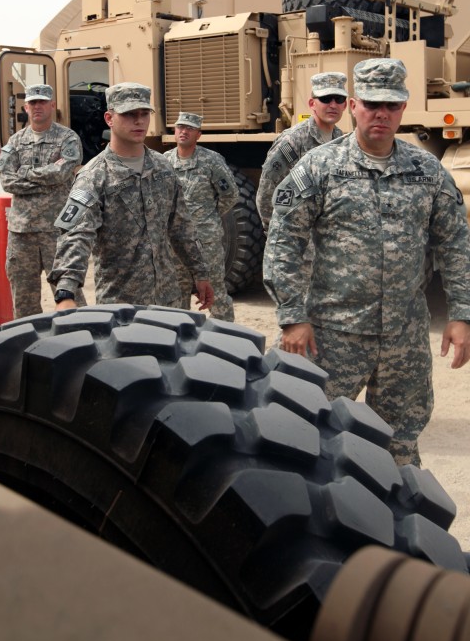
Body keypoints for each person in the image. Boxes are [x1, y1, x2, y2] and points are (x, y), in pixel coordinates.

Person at [262, 58, 470, 466]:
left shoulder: (427, 171)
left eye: (391, 105)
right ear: (354, 105)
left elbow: (455, 242)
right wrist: (292, 316)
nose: (381, 114)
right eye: (372, 103)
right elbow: (284, 241)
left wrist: (461, 313)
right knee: (311, 440)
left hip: (403, 339)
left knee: (399, 449)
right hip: (332, 335)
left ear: (403, 109)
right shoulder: (320, 168)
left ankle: (393, 526)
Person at [48, 82, 214, 311]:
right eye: (129, 114)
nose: (139, 121)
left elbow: (181, 226)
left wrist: (199, 272)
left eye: (144, 113)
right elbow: (76, 234)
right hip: (122, 305)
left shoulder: (163, 167)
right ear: (109, 118)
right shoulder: (94, 175)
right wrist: (66, 291)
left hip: (169, 301)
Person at [0, 83, 85, 317]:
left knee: (69, 295)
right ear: (26, 107)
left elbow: (62, 173)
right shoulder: (15, 141)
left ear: (52, 105)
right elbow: (7, 181)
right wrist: (46, 177)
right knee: (23, 300)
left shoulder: (67, 138)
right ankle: (28, 348)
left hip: (56, 231)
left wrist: (24, 172)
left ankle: (80, 341)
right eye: (33, 102)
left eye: (42, 102)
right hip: (21, 232)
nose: (37, 106)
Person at [163, 111, 238, 320]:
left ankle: (227, 338)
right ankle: (177, 337)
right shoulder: (164, 161)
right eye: (180, 127)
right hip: (175, 242)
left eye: (189, 128)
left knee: (215, 291)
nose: (183, 131)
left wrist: (209, 218)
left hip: (206, 241)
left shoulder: (211, 161)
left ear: (198, 134)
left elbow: (230, 194)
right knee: (176, 293)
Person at [256, 72, 348, 232]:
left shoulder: (342, 141)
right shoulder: (293, 140)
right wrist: (274, 232)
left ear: (345, 106)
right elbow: (267, 189)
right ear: (312, 103)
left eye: (339, 99)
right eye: (326, 99)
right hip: (298, 238)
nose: (333, 105)